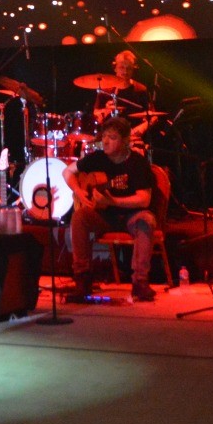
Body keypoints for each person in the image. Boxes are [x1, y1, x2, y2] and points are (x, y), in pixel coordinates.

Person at [64, 116, 158, 302]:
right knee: (80, 217)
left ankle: (140, 282)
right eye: (104, 136)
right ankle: (82, 279)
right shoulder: (97, 158)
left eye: (112, 137)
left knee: (146, 220)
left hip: (132, 215)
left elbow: (144, 199)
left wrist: (113, 201)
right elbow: (67, 172)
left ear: (125, 141)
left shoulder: (137, 162)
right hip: (105, 216)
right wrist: (79, 192)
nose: (106, 141)